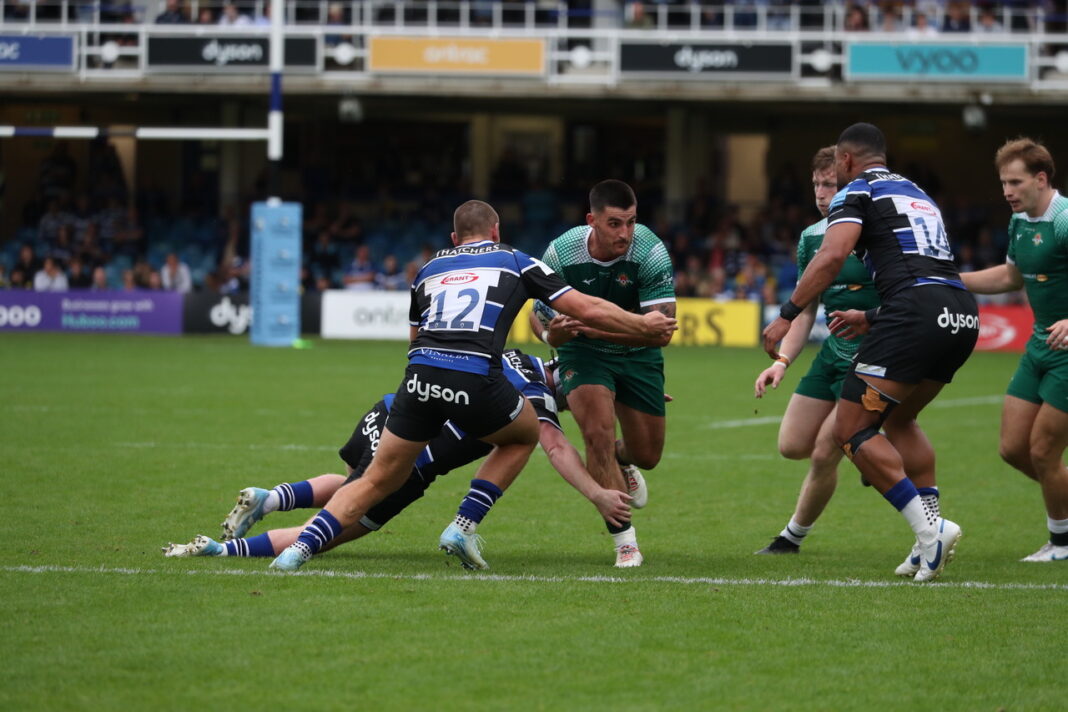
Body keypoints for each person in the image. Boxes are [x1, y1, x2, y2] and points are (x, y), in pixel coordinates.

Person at [268, 199, 675, 572]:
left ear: (454, 238)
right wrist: (643, 324)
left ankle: (296, 551)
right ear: (496, 231)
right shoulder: (516, 260)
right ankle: (463, 525)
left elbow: (414, 339)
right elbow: (584, 307)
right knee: (526, 434)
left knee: (373, 480)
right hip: (475, 377)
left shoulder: (428, 269)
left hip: (419, 378)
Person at [762, 123, 977, 582]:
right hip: (959, 313)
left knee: (850, 430)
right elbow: (925, 267)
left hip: (913, 314)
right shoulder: (918, 193)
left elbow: (833, 255)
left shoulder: (856, 191)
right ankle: (927, 541)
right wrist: (873, 317)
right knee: (900, 421)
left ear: (844, 161)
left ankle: (930, 531)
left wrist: (786, 312)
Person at [163, 350, 632, 560]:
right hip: (413, 460)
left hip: (391, 412)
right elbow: (554, 446)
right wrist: (597, 494)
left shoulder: (515, 356)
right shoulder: (539, 402)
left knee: (354, 484)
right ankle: (221, 549)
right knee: (330, 532)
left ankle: (271, 499)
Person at [537, 179, 676, 567]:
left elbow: (661, 333)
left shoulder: (650, 251)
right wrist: (552, 334)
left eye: (631, 222)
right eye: (615, 224)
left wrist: (591, 325)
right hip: (584, 355)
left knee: (648, 455)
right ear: (591, 221)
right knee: (597, 435)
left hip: (638, 354)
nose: (625, 233)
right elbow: (539, 316)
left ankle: (623, 461)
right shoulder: (561, 252)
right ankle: (625, 543)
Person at [752, 146, 880, 554]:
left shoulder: (873, 232)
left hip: (872, 359)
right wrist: (784, 362)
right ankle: (871, 449)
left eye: (831, 184)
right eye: (817, 185)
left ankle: (791, 538)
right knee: (792, 445)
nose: (822, 193)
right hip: (831, 355)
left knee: (826, 450)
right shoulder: (810, 238)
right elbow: (805, 312)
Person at [959, 138, 1068, 562]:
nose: (1007, 190)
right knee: (1013, 449)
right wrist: (952, 278)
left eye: (1015, 182)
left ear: (1041, 180)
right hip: (1039, 345)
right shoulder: (1020, 222)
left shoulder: (1063, 218)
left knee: (1043, 451)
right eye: (1003, 182)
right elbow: (1010, 277)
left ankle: (1061, 543)